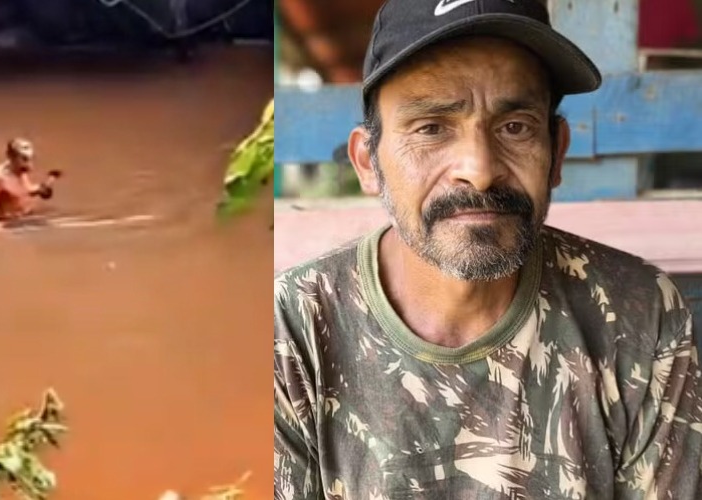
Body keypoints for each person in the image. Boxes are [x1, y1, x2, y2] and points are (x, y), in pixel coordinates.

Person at [274, 1, 702, 499]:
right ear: (369, 163)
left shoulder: (639, 315)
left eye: (515, 126)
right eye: (431, 128)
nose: (479, 170)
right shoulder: (290, 331)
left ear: (556, 154)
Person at [0, 137, 62, 225]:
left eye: (30, 159)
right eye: (24, 159)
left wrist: (43, 186)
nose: (29, 164)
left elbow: (24, 190)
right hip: (10, 223)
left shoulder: (21, 171)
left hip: (26, 216)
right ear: (12, 157)